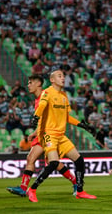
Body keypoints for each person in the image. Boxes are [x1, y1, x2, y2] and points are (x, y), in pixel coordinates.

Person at [26, 70, 97, 202]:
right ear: (52, 80)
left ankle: (80, 191)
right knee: (53, 162)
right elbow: (41, 105)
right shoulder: (47, 92)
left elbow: (67, 117)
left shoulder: (64, 95)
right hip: (48, 134)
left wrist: (83, 125)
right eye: (59, 76)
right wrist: (36, 116)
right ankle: (32, 189)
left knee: (79, 160)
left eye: (63, 76)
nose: (63, 78)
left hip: (60, 135)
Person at [7, 75, 80, 197]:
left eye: (30, 83)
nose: (28, 85)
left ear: (38, 84)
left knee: (32, 158)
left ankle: (23, 188)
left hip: (49, 134)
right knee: (53, 162)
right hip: (43, 133)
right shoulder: (38, 99)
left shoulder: (45, 96)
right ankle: (75, 182)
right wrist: (35, 133)